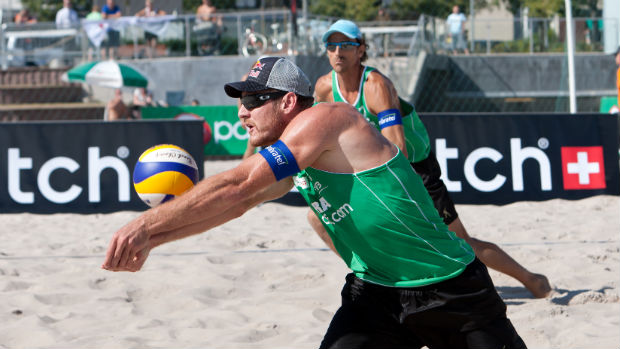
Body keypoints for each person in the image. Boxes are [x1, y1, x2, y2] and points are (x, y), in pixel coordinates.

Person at [101, 56, 527, 348]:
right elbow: (236, 205)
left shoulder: (327, 118)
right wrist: (154, 240)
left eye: (252, 100)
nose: (241, 113)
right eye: (240, 102)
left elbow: (241, 185)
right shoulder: (297, 160)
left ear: (287, 101)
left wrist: (144, 224)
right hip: (376, 292)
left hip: (450, 286)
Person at [315, 19, 551, 298]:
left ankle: (531, 279)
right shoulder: (324, 88)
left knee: (460, 240)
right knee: (318, 217)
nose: (338, 52)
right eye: (332, 45)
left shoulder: (376, 85)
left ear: (361, 49)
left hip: (412, 167)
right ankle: (375, 275)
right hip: (369, 170)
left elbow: (397, 149)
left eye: (346, 45)